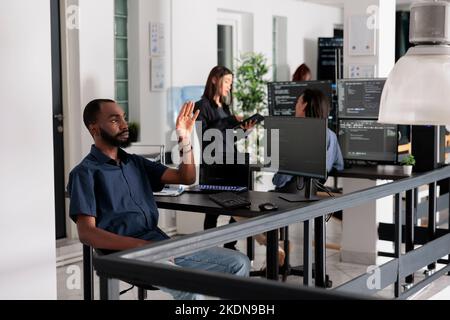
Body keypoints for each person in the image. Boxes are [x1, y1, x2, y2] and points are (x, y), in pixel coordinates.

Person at [67, 99, 250, 300]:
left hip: (160, 244)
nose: (124, 124)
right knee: (188, 284)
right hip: (124, 254)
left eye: (124, 118)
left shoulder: (135, 162)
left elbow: (186, 177)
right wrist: (140, 245)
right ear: (94, 128)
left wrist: (185, 139)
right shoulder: (84, 173)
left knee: (239, 262)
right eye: (114, 120)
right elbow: (86, 233)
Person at [194, 66, 255, 250]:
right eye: (227, 81)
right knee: (212, 212)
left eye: (231, 82)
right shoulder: (201, 106)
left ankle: (230, 244)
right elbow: (205, 136)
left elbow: (229, 138)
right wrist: (231, 120)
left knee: (239, 206)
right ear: (214, 79)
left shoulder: (225, 106)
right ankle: (209, 248)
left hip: (232, 163)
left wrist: (243, 132)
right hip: (213, 165)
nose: (229, 86)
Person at [273, 88, 344, 192]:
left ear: (304, 106)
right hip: (311, 199)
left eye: (298, 102)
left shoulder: (293, 136)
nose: (295, 106)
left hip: (286, 200)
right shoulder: (331, 136)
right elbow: (339, 166)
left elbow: (280, 181)